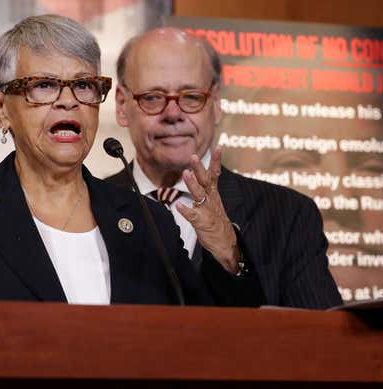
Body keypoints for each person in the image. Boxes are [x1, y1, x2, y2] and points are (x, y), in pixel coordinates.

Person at [0, 15, 263, 325]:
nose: (68, 102)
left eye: (84, 86)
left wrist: (227, 250)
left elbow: (210, 336)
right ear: (2, 109)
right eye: (44, 86)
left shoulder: (146, 220)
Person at [107, 27, 342, 308]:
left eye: (191, 97)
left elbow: (321, 340)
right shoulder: (87, 206)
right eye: (153, 97)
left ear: (216, 102)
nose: (173, 114)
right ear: (122, 105)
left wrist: (232, 256)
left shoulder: (287, 216)